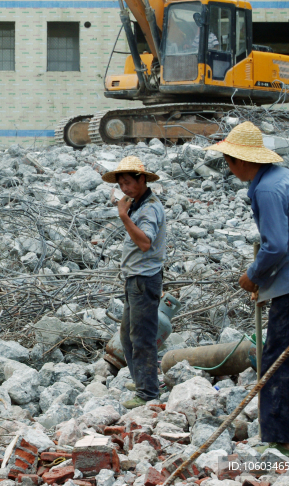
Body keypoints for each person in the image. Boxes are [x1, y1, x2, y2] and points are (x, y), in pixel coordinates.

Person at [205, 121, 289, 456]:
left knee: (277, 358)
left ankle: (283, 437)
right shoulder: (287, 178)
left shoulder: (267, 189)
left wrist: (254, 275)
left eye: (231, 161)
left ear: (244, 161)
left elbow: (276, 246)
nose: (229, 169)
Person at [102, 156, 167, 410]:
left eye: (128, 183)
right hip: (134, 279)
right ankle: (142, 380)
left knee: (141, 337)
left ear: (142, 180)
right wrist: (127, 211)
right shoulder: (138, 204)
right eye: (121, 185)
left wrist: (123, 217)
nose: (125, 189)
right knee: (128, 336)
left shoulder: (149, 208)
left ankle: (149, 392)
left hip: (144, 280)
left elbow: (145, 243)